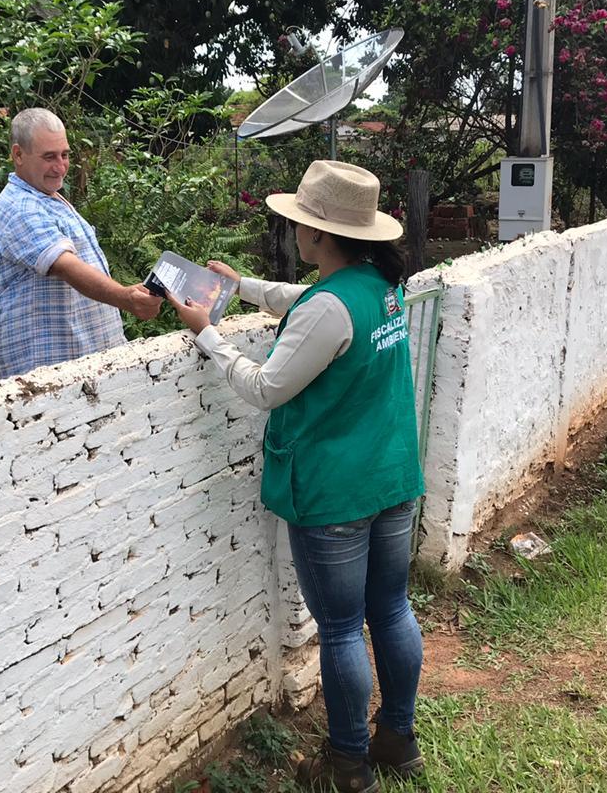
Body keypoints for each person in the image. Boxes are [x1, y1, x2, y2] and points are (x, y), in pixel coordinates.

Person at [167, 160, 425, 793]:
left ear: (320, 235)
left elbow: (266, 388)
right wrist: (244, 285)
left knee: (339, 628)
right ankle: (399, 738)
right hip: (391, 478)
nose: (292, 231)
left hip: (335, 493)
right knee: (391, 607)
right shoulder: (377, 284)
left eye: (300, 223)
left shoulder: (331, 305)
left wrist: (207, 335)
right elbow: (307, 306)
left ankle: (348, 767)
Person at [0, 108, 161, 378]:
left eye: (64, 155)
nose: (60, 166)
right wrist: (125, 298)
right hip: (46, 372)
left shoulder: (47, 196)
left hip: (80, 364)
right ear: (18, 154)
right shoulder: (20, 206)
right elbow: (65, 266)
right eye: (49, 157)